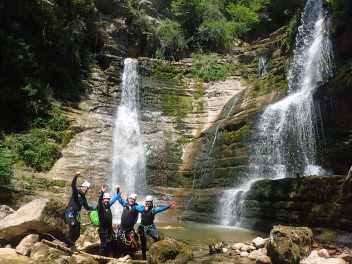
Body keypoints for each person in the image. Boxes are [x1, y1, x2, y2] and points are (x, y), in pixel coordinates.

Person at [110, 185, 145, 256]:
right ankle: (117, 257)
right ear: (128, 199)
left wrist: (145, 208)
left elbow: (141, 209)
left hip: (129, 231)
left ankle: (129, 257)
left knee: (129, 247)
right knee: (118, 244)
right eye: (130, 198)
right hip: (122, 229)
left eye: (133, 199)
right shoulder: (125, 204)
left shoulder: (136, 207)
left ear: (135, 201)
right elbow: (119, 199)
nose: (131, 200)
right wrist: (118, 191)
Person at [64, 171, 94, 249]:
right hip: (70, 212)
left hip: (76, 215)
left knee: (77, 232)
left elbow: (87, 207)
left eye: (87, 189)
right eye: (85, 188)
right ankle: (68, 242)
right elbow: (73, 185)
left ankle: (71, 244)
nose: (85, 190)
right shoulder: (76, 192)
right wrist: (76, 176)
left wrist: (96, 208)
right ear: (81, 187)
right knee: (72, 224)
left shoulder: (84, 198)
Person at [97, 184, 113, 256]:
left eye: (108, 199)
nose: (107, 200)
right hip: (103, 230)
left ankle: (106, 256)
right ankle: (100, 257)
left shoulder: (108, 207)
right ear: (103, 199)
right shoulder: (101, 208)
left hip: (109, 230)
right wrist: (102, 193)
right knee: (103, 245)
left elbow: (114, 199)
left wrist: (118, 194)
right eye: (105, 199)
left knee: (109, 244)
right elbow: (99, 202)